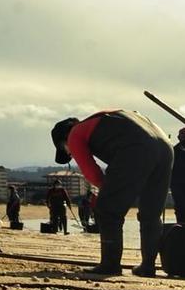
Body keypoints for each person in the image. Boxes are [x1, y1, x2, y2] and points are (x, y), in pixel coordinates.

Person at [51, 109, 174, 277]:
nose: (69, 153)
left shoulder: (75, 134)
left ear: (63, 140)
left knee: (107, 209)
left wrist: (109, 191)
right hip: (165, 148)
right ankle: (147, 266)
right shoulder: (110, 119)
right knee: (151, 213)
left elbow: (92, 174)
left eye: (65, 149)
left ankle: (110, 265)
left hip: (136, 148)